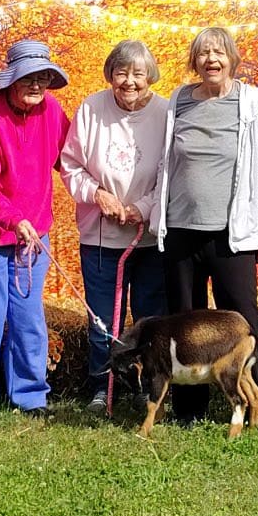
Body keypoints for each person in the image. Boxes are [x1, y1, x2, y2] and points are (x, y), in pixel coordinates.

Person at [154, 26, 258, 423]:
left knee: (242, 319)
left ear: (232, 58)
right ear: (194, 62)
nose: (211, 60)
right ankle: (188, 409)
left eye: (218, 53)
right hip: (181, 230)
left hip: (232, 235)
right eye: (203, 54)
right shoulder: (178, 100)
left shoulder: (252, 101)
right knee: (186, 320)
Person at [60, 40, 170, 411]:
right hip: (100, 235)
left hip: (148, 236)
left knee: (149, 316)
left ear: (150, 76)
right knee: (102, 318)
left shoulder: (166, 112)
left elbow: (172, 174)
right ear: (111, 75)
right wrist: (96, 194)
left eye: (138, 74)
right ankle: (100, 386)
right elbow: (70, 164)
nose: (129, 82)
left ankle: (146, 385)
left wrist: (144, 207)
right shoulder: (91, 108)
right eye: (121, 72)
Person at [0, 40, 72, 417]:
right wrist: (13, 219)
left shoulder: (54, 111)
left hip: (34, 239)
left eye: (44, 77)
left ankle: (30, 396)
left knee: (29, 320)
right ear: (13, 79)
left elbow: (71, 161)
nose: (38, 85)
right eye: (30, 77)